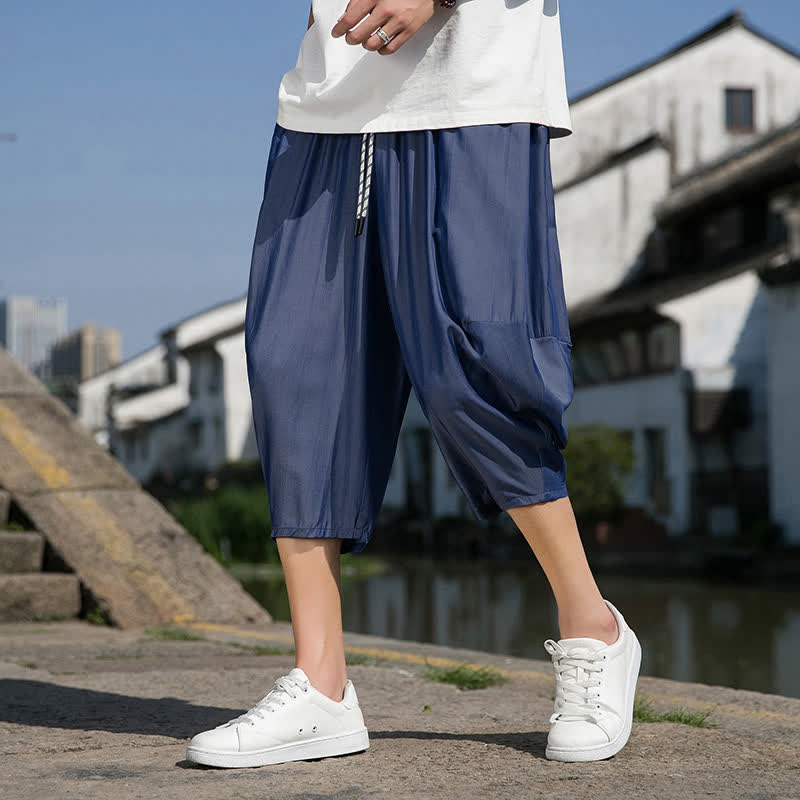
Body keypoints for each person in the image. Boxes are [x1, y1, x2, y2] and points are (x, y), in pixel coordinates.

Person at [186, 0, 641, 768]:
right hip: (326, 103)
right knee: (299, 369)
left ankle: (591, 624)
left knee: (477, 361)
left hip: (473, 91)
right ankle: (321, 683)